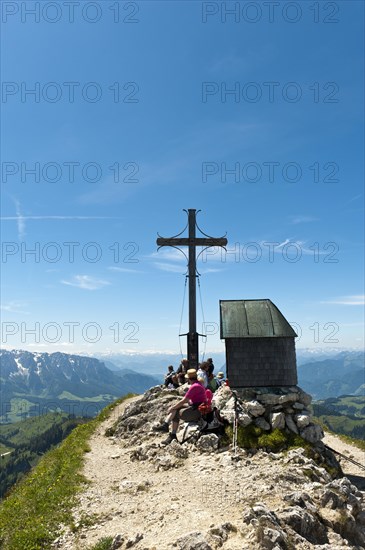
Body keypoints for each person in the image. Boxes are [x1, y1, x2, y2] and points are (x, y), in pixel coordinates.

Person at [154, 369, 207, 444]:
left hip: (197, 412)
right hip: (198, 408)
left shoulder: (194, 386)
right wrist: (176, 406)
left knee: (175, 412)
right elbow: (192, 400)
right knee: (176, 407)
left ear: (188, 378)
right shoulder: (198, 384)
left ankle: (170, 432)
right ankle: (167, 427)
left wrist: (173, 408)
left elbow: (184, 400)